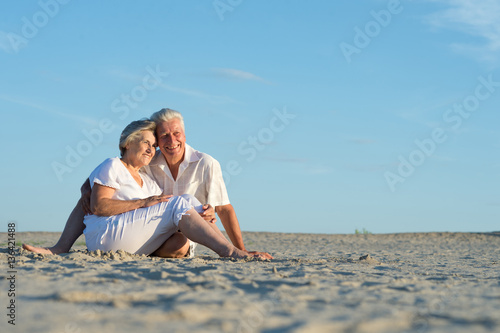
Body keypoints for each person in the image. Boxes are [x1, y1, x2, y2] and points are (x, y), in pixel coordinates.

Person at [23, 108, 273, 259]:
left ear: (185, 135)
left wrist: (204, 213)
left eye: (153, 145)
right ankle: (230, 253)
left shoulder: (149, 179)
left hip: (133, 241)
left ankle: (231, 248)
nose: (153, 149)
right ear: (126, 143)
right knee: (180, 201)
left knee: (180, 241)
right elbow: (95, 206)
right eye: (149, 141)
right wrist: (88, 187)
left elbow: (222, 208)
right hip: (107, 236)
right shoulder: (113, 164)